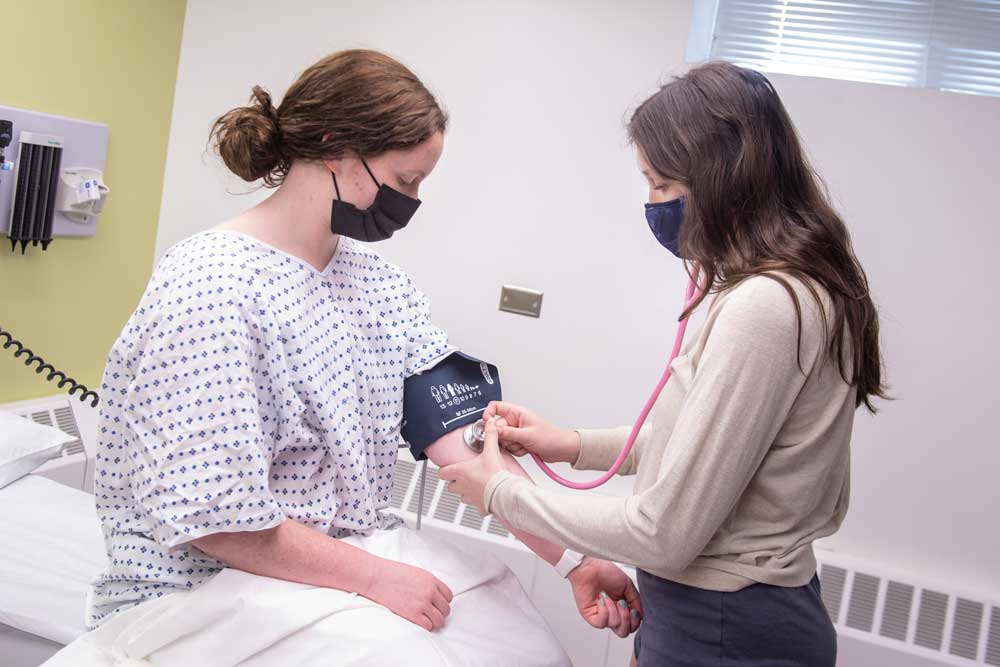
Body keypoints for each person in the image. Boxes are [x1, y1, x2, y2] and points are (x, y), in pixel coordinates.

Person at [80, 49, 637, 663]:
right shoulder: (211, 288)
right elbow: (216, 519)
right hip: (203, 592)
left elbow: (463, 442)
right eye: (404, 182)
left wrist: (575, 561)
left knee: (519, 644)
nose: (412, 202)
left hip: (334, 565)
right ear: (333, 148)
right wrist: (375, 578)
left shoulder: (378, 285)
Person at [441, 61, 886, 667]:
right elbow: (707, 447)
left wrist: (498, 494)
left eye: (659, 184)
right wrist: (569, 444)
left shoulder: (767, 306)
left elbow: (664, 533)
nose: (651, 204)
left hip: (725, 624)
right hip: (713, 613)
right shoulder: (797, 288)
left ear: (721, 178)